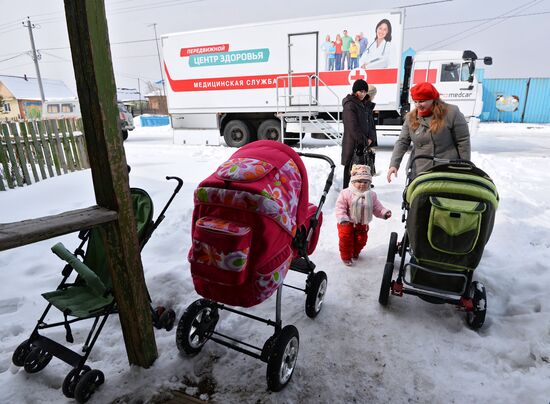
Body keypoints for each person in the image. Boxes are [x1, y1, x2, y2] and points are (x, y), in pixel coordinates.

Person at [387, 82, 471, 182]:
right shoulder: (411, 117)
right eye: (415, 101)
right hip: (420, 170)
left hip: (446, 169)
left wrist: (465, 165)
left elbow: (463, 141)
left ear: (433, 99)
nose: (418, 105)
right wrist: (394, 165)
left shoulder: (451, 112)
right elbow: (402, 142)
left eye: (422, 101)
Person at [336, 165, 391, 266]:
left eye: (365, 182)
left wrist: (384, 212)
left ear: (369, 183)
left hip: (362, 223)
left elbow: (377, 207)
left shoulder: (371, 195)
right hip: (346, 223)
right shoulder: (346, 193)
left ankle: (355, 251)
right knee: (346, 240)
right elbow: (340, 207)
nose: (362, 184)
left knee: (361, 240)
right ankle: (346, 257)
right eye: (359, 181)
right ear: (353, 181)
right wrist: (342, 217)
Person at [341, 79, 377, 188]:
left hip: (364, 141)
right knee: (350, 166)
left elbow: (371, 123)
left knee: (363, 166)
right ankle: (346, 189)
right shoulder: (350, 105)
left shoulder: (365, 104)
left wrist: (371, 137)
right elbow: (352, 126)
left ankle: (362, 186)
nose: (363, 94)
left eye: (365, 91)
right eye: (360, 91)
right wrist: (364, 140)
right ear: (355, 91)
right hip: (353, 142)